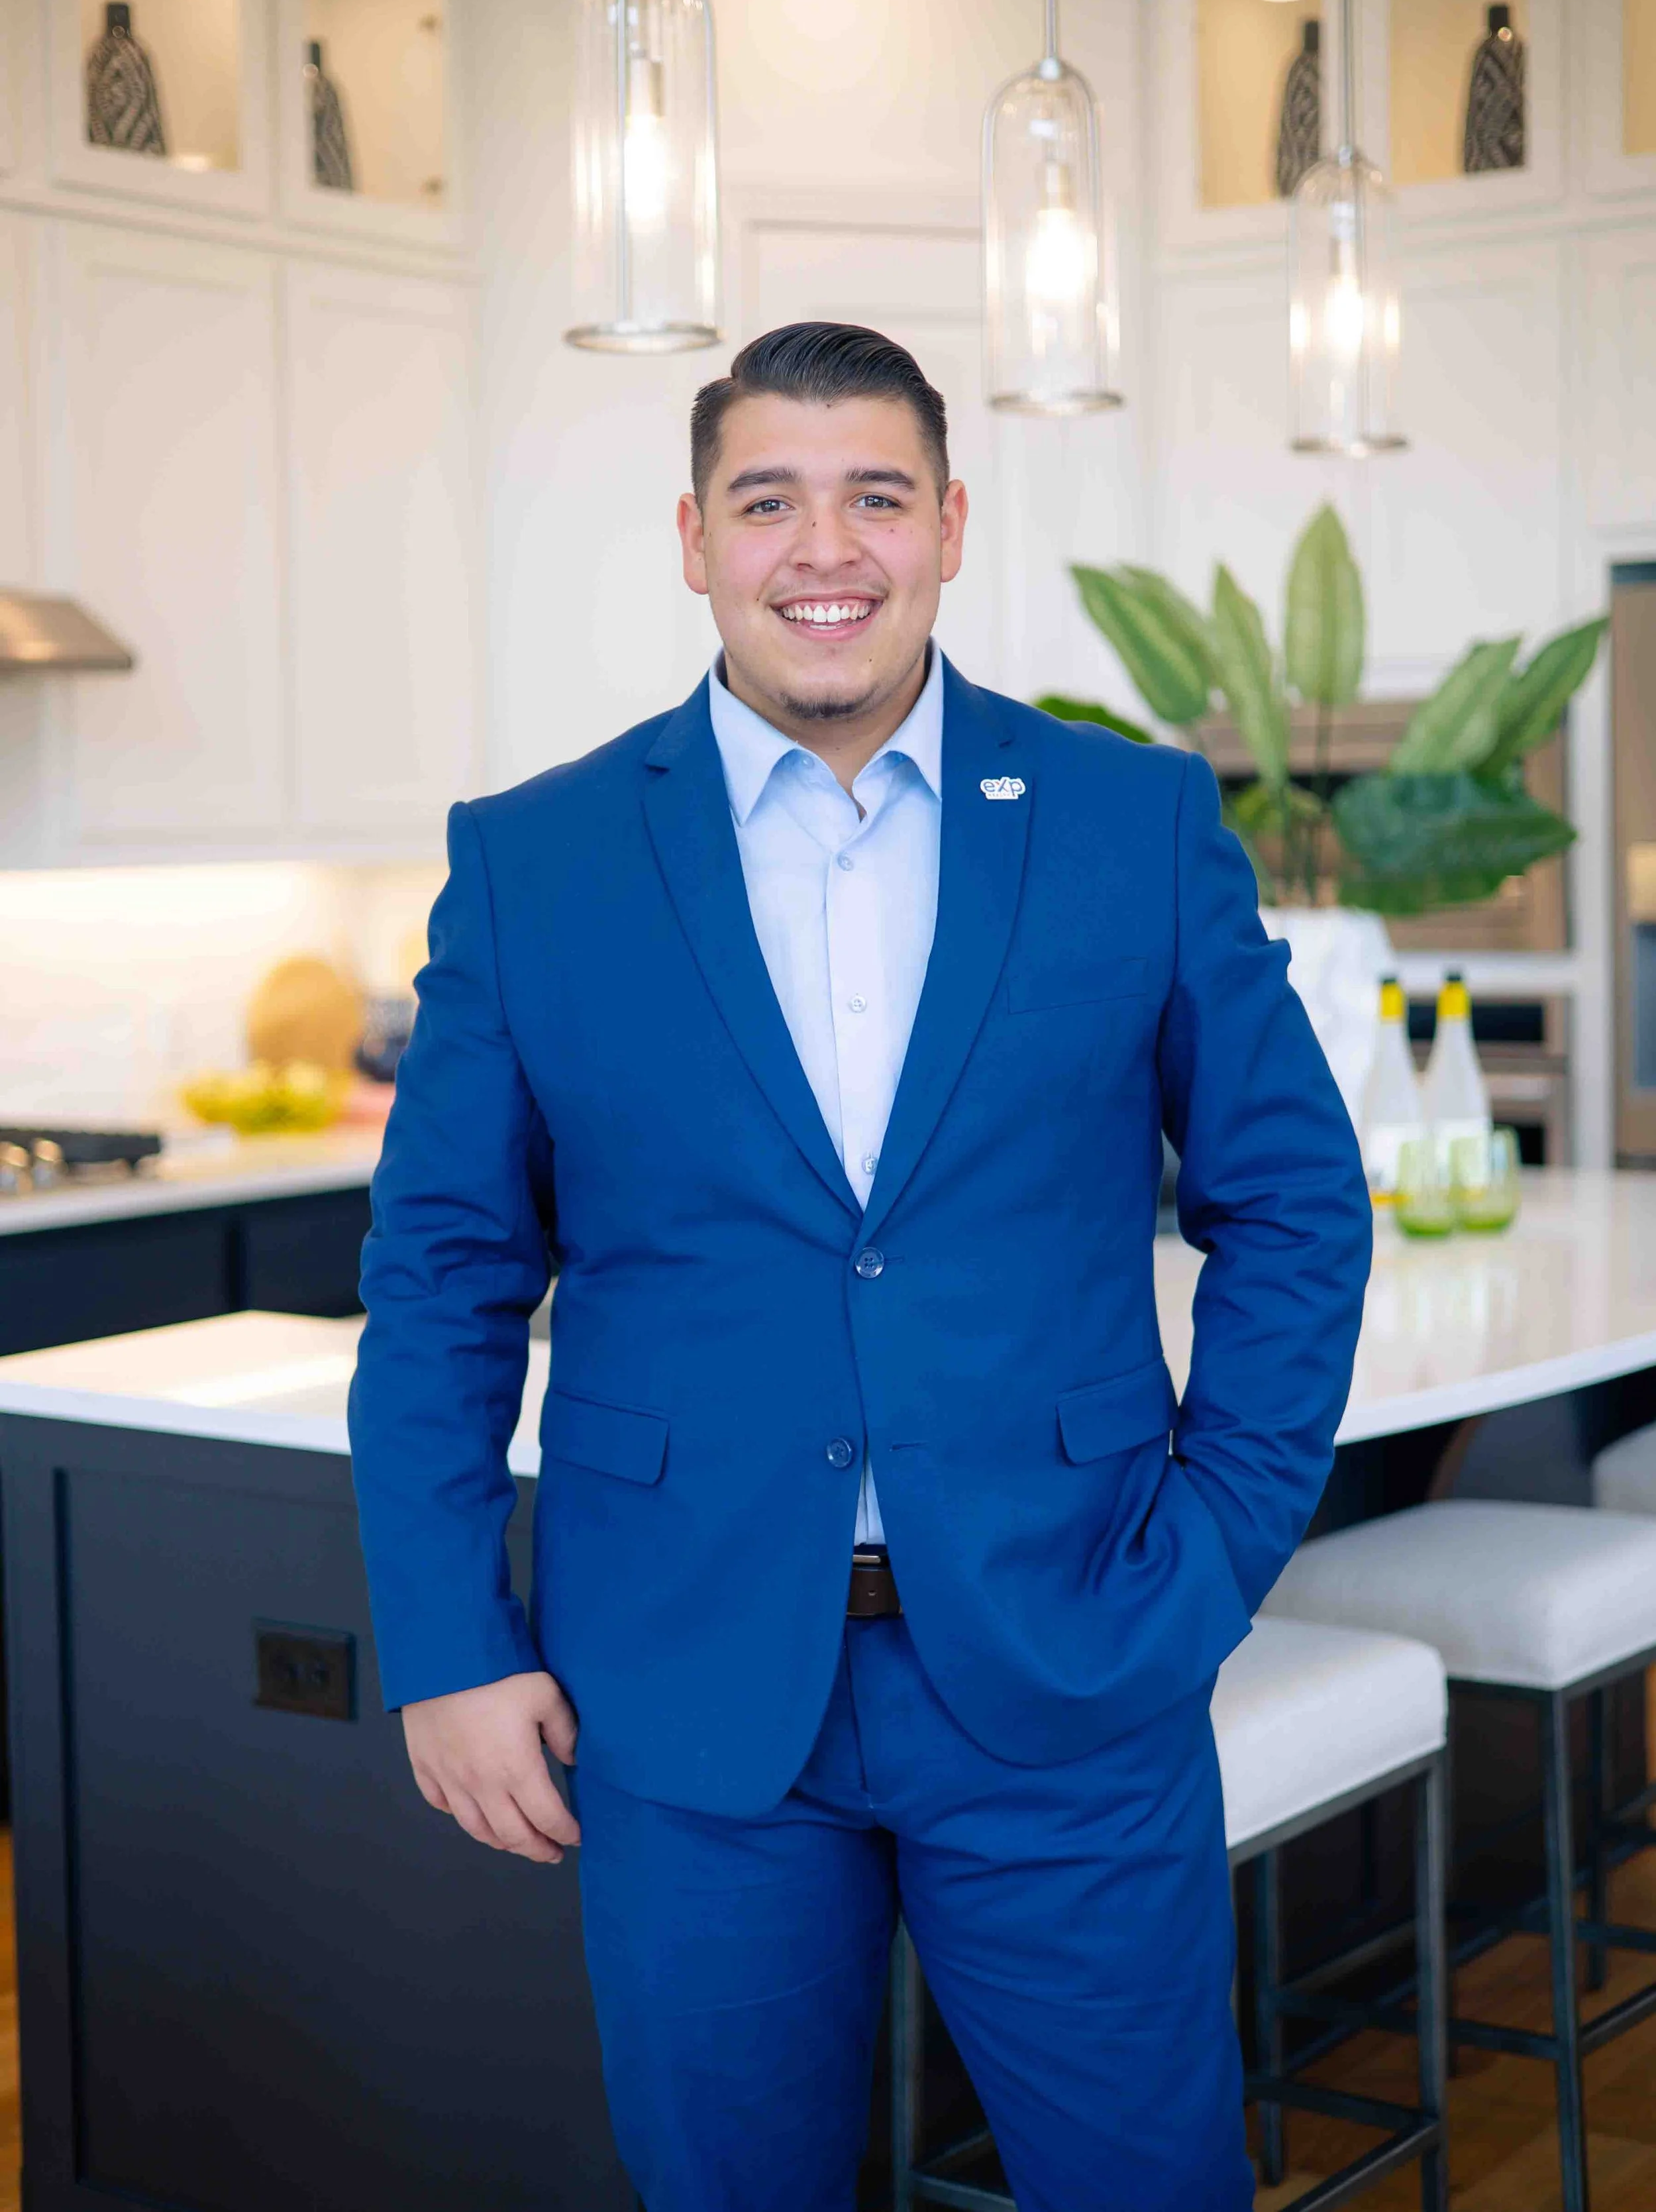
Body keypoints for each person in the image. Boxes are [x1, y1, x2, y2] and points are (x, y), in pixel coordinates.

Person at [348, 320, 1372, 2212]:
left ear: (949, 526)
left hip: (1068, 1659)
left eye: (874, 495)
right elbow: (441, 1282)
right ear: (692, 538)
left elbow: (1295, 1203)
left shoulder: (1129, 825)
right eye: (769, 500)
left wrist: (1215, 1547)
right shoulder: (533, 863)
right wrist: (443, 1644)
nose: (825, 545)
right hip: (677, 1683)